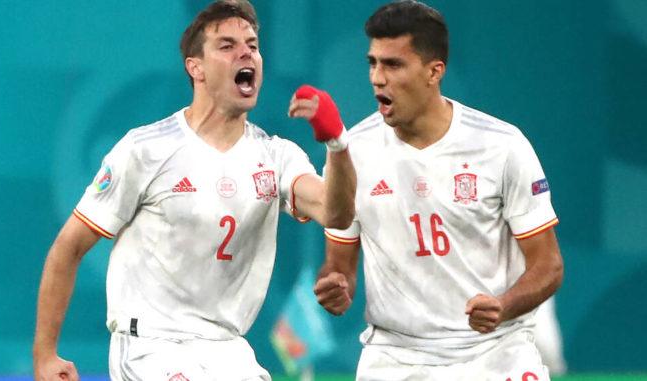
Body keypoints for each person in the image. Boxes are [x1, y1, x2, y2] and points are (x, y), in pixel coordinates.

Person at [32, 1, 355, 380]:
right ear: (195, 67)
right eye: (227, 45)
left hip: (228, 349)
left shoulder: (276, 156)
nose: (246, 52)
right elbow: (68, 247)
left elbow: (336, 213)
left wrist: (337, 143)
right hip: (152, 347)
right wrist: (45, 354)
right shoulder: (146, 149)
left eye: (252, 44)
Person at [313, 1, 563, 380]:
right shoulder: (351, 154)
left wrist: (503, 305)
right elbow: (340, 266)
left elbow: (548, 265)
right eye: (373, 63)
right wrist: (337, 285)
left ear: (434, 71)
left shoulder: (501, 146)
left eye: (393, 65)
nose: (377, 78)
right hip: (396, 356)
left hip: (493, 351)